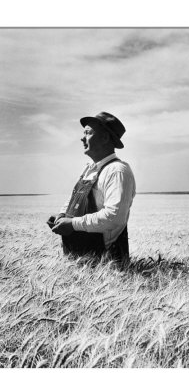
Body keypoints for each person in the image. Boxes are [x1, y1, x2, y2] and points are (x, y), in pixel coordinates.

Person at [50, 111, 136, 263]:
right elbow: (73, 199)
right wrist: (62, 215)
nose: (82, 138)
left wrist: (72, 224)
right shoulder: (89, 168)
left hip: (105, 263)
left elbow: (114, 217)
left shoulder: (117, 171)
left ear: (104, 138)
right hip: (78, 260)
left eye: (88, 133)